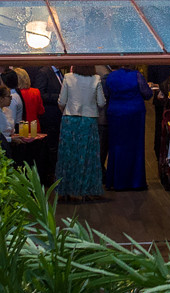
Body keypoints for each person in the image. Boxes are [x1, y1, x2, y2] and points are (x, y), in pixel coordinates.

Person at [57, 64, 103, 200]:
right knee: (88, 156)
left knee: (68, 156)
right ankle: (86, 190)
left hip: (70, 119)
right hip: (89, 120)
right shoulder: (96, 78)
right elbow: (101, 102)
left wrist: (65, 111)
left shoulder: (68, 77)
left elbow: (61, 100)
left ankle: (65, 191)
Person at [102, 63, 151, 191]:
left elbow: (106, 93)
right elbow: (147, 93)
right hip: (134, 113)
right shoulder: (137, 76)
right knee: (135, 147)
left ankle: (115, 180)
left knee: (116, 146)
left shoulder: (111, 76)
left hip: (116, 112)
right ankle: (135, 181)